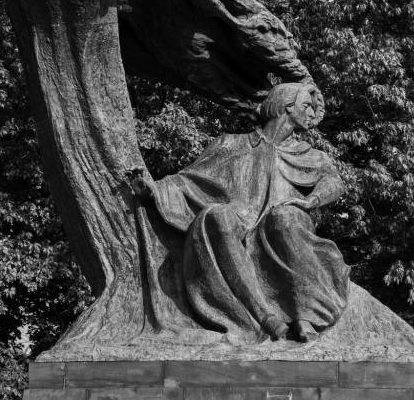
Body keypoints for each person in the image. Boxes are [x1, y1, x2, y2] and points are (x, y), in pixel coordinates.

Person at [129, 82, 349, 342]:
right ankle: (263, 316)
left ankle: (305, 315)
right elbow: (187, 180)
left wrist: (311, 200)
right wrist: (153, 190)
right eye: (307, 106)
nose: (312, 114)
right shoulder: (230, 145)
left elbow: (334, 182)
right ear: (287, 106)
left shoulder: (311, 156)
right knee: (216, 217)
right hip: (242, 218)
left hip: (287, 221)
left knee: (283, 219)